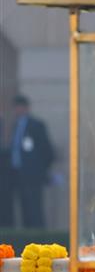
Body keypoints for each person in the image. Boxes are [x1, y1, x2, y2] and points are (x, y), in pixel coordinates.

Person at [7, 95, 54, 228]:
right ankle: (27, 233)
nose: (17, 110)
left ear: (26, 108)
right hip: (17, 173)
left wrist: (40, 170)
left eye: (19, 107)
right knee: (24, 207)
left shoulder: (36, 125)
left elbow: (47, 151)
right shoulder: (16, 126)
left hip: (32, 175)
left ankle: (38, 234)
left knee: (34, 207)